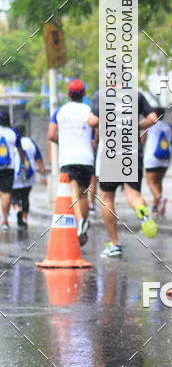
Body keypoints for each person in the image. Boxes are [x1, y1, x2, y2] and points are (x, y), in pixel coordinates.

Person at [88, 91, 158, 257]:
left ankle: (115, 244)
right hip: (131, 151)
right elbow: (153, 118)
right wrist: (135, 125)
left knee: (107, 198)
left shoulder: (101, 95)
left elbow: (92, 121)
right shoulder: (136, 95)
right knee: (133, 195)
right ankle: (143, 213)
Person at [48, 79, 95, 246]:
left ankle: (80, 222)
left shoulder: (60, 111)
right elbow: (95, 135)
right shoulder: (89, 110)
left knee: (73, 192)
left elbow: (51, 135)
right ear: (84, 94)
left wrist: (65, 141)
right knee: (83, 194)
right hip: (87, 158)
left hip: (69, 158)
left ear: (68, 94)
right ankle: (83, 224)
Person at [143, 108, 172, 216]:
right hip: (165, 158)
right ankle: (156, 208)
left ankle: (160, 199)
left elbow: (141, 142)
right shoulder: (168, 127)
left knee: (150, 182)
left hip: (152, 159)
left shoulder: (148, 126)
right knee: (158, 183)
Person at [11, 124, 47, 229]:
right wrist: (43, 174)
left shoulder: (13, 142)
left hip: (15, 175)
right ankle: (25, 219)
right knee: (25, 197)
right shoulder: (30, 142)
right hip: (28, 175)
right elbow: (39, 159)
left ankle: (18, 209)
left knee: (14, 196)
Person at [0, 110, 27, 232]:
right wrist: (22, 161)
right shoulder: (13, 133)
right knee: (6, 194)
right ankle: (5, 220)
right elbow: (20, 150)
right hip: (8, 168)